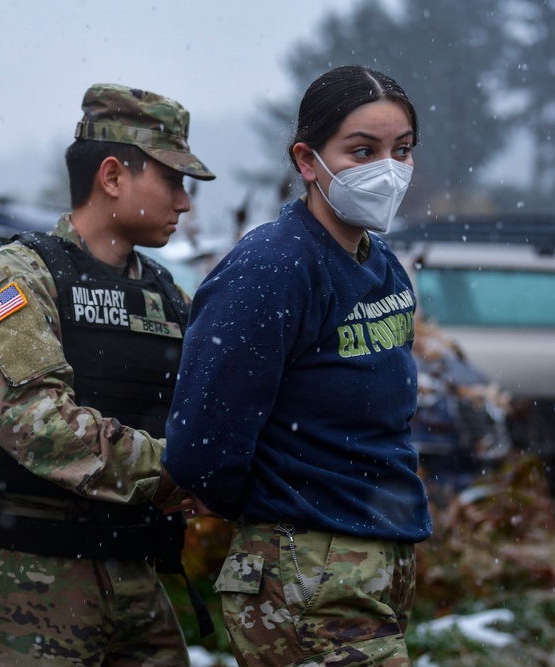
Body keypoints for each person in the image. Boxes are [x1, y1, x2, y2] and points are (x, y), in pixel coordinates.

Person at [164, 65, 433, 667]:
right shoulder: (273, 268)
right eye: (363, 150)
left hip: (372, 556)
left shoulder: (377, 259)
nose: (388, 169)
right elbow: (201, 445)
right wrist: (278, 507)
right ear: (308, 161)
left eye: (402, 150)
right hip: (309, 566)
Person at [0, 83, 215, 666]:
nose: (185, 202)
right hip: (28, 588)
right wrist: (175, 472)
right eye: (172, 180)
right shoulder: (10, 283)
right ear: (112, 177)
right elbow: (35, 422)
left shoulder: (167, 298)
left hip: (138, 586)